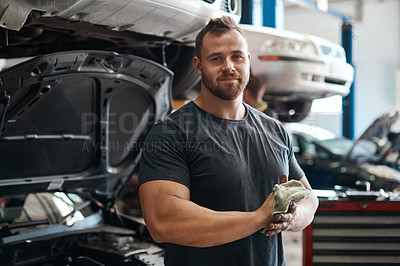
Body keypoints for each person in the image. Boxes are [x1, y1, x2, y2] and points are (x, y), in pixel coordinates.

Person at [138, 16, 318, 266]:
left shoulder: (275, 131)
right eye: (216, 58)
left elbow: (308, 197)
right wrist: (259, 218)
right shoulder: (172, 133)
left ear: (248, 62)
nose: (229, 66)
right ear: (198, 66)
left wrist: (293, 217)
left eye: (237, 56)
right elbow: (163, 221)